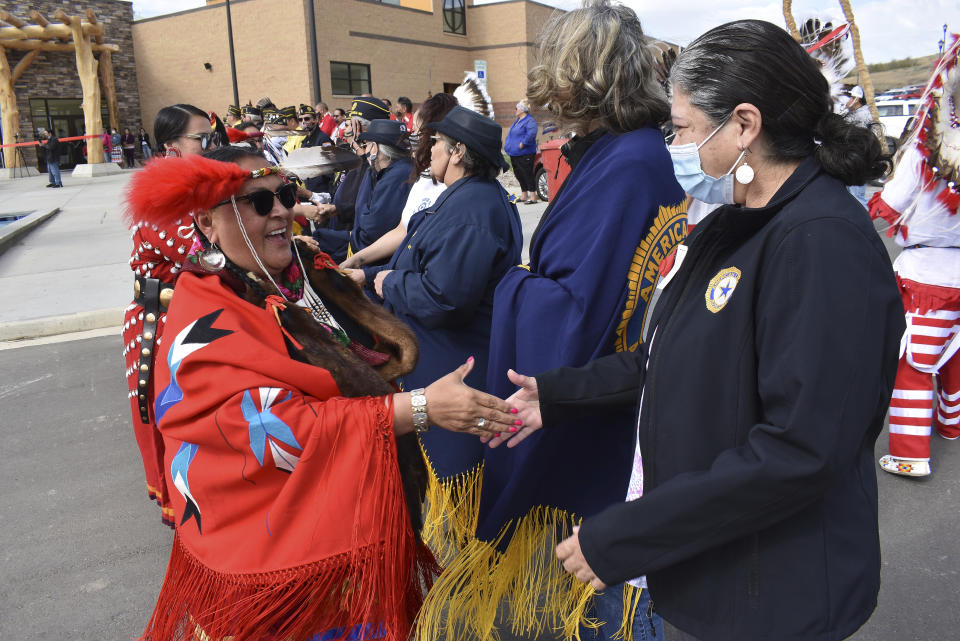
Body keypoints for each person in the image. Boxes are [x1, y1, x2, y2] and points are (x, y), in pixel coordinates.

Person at [490, 19, 901, 641]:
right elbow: (667, 354)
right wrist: (561, 393)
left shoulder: (821, 244)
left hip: (777, 591)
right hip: (725, 570)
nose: (671, 145)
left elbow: (801, 450)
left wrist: (628, 533)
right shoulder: (735, 223)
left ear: (743, 125)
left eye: (680, 128)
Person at [124, 145, 518, 641]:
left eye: (285, 194)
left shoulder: (303, 273)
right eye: (259, 202)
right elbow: (277, 427)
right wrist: (419, 408)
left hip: (354, 525)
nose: (283, 210)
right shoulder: (203, 317)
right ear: (208, 223)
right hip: (280, 563)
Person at [422, 4, 684, 639]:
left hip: (602, 417)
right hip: (612, 401)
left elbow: (577, 313)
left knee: (605, 592)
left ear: (584, 76)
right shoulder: (624, 153)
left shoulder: (625, 167)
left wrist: (509, 282)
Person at [363, 106, 523, 570]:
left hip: (455, 363)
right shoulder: (463, 196)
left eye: (435, 143)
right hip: (440, 361)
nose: (427, 151)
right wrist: (373, 274)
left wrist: (385, 283)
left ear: (457, 152)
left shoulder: (474, 207)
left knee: (464, 501)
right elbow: (418, 256)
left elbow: (444, 298)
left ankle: (476, 585)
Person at [123, 103, 219, 529]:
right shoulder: (161, 194)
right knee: (173, 415)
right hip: (159, 324)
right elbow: (206, 257)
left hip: (188, 315)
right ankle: (186, 512)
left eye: (210, 137)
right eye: (200, 139)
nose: (209, 146)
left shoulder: (193, 186)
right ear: (171, 147)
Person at [871, 36, 960, 478]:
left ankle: (910, 454)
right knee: (953, 353)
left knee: (913, 363)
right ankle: (950, 424)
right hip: (951, 276)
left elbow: (884, 206)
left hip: (928, 278)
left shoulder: (928, 150)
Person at [340, 93, 457, 274]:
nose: (414, 141)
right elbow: (403, 230)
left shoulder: (457, 193)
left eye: (419, 133)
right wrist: (357, 260)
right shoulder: (424, 179)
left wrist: (373, 276)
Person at [311, 97, 393, 261]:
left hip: (366, 250)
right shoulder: (359, 160)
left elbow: (372, 215)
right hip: (349, 235)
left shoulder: (378, 164)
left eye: (349, 124)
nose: (345, 129)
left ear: (360, 127)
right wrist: (336, 209)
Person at [503, 100, 539, 204]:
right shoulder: (517, 121)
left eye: (516, 108)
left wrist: (522, 144)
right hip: (514, 153)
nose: (515, 110)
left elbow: (531, 133)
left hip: (525, 152)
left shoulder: (529, 121)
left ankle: (532, 197)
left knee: (527, 173)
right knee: (519, 174)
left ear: (522, 110)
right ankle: (524, 195)